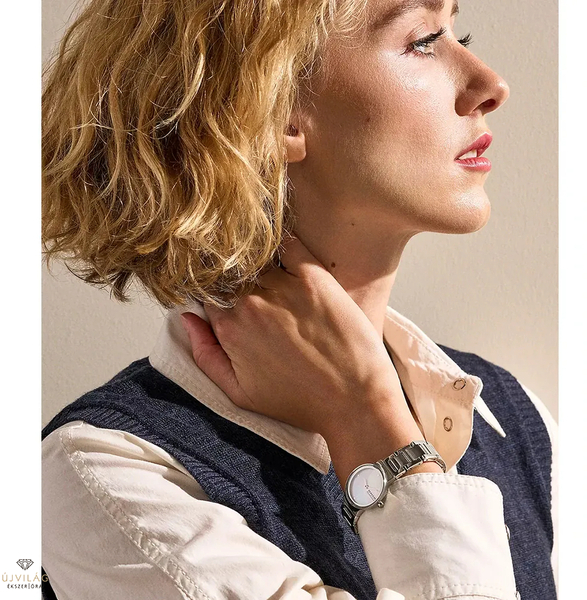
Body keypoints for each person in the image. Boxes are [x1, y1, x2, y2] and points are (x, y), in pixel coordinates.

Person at [41, 0, 557, 598]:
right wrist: (365, 415)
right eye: (423, 40)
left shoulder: (514, 419)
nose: (491, 85)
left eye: (457, 34)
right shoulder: (107, 473)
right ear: (272, 107)